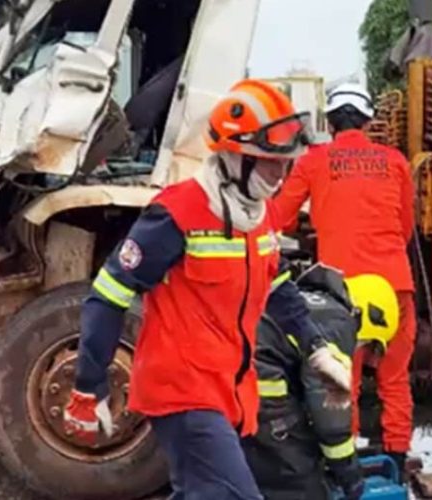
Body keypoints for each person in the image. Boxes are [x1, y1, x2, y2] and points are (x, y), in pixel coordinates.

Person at [62, 79, 353, 499]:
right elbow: (108, 295)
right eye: (269, 163)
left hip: (229, 391)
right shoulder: (176, 213)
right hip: (183, 392)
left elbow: (278, 285)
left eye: (286, 164)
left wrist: (317, 349)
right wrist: (89, 385)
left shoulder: (260, 216)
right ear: (234, 157)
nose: (280, 176)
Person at [275, 82, 417, 471]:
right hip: (394, 284)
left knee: (342, 379)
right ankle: (397, 455)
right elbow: (405, 226)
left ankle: (346, 460)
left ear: (331, 122)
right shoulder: (395, 161)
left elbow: (279, 218)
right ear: (368, 121)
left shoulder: (313, 161)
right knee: (394, 376)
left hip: (342, 289)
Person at [243, 264, 400, 500]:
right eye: (369, 344)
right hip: (265, 396)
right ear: (371, 316)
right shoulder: (339, 321)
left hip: (238, 390)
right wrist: (349, 473)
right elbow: (328, 412)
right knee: (300, 483)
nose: (362, 350)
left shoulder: (311, 302)